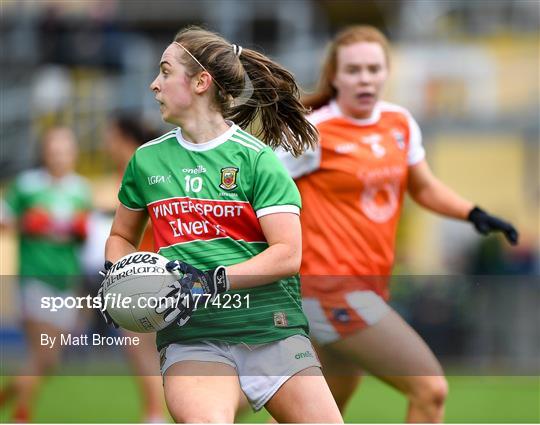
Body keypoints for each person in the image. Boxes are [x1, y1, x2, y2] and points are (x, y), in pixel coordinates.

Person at [99, 26, 343, 423]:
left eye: (164, 72)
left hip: (272, 330)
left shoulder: (257, 160)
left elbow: (287, 255)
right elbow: (121, 236)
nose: (153, 85)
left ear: (200, 82)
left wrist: (208, 281)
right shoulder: (145, 161)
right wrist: (118, 278)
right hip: (193, 340)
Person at [277, 25, 519, 423]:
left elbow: (422, 186)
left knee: (320, 409)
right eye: (354, 70)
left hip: (367, 287)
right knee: (430, 388)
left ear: (387, 72)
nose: (365, 78)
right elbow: (258, 189)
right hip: (329, 288)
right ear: (335, 76)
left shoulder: (399, 122)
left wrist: (473, 214)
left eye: (374, 69)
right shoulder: (313, 130)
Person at [0, 127, 92, 422]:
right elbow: (6, 220)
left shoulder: (81, 189)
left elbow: (83, 236)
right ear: (44, 152)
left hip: (66, 282)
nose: (60, 156)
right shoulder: (27, 186)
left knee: (49, 361)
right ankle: (21, 416)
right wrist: (27, 224)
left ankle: (7, 399)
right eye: (55, 150)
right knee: (42, 353)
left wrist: (79, 231)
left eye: (66, 150)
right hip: (34, 278)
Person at [81, 115, 167, 423]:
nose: (105, 144)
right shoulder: (142, 165)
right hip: (144, 273)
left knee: (138, 347)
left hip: (146, 273)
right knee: (145, 349)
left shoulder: (141, 167)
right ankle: (157, 411)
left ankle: (156, 413)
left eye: (109, 136)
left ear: (122, 138)